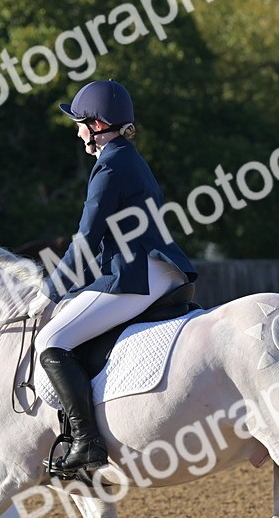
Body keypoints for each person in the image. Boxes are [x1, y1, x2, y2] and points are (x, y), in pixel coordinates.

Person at [27, 80, 196, 477]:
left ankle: (87, 442)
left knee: (51, 340)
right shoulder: (129, 157)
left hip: (135, 275)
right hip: (159, 270)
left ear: (98, 124)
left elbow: (86, 241)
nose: (78, 130)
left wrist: (50, 292)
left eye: (81, 122)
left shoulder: (109, 166)